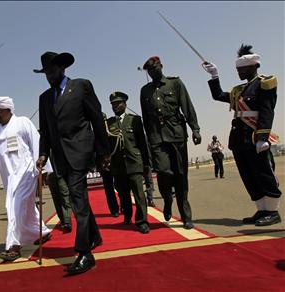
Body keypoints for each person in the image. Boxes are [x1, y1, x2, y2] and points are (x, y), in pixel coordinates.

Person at [34, 51, 111, 275]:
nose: (49, 76)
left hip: (80, 151)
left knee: (77, 200)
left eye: (52, 71)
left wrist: (104, 152)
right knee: (79, 200)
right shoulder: (44, 98)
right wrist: (43, 154)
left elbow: (96, 118)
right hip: (60, 158)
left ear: (62, 68)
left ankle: (85, 253)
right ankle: (95, 236)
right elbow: (45, 130)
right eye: (46, 72)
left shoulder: (81, 86)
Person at [202, 44, 282, 226]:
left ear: (253, 66)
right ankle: (262, 209)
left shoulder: (264, 83)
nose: (238, 71)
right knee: (249, 176)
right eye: (237, 68)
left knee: (263, 174)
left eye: (242, 68)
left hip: (254, 137)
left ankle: (273, 211)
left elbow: (267, 111)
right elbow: (219, 95)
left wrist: (262, 138)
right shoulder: (239, 90)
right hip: (239, 140)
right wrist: (214, 76)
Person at [0, 96, 52, 262]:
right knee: (25, 206)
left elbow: (37, 144)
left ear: (8, 109)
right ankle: (42, 232)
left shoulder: (23, 122)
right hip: (9, 177)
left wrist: (44, 169)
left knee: (14, 206)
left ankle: (14, 245)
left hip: (26, 173)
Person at [140, 56, 201, 230]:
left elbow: (187, 106)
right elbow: (145, 118)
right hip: (157, 138)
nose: (153, 72)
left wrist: (195, 128)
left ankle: (185, 215)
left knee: (181, 175)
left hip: (176, 134)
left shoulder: (175, 83)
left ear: (161, 66)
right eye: (149, 70)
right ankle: (167, 199)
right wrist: (149, 140)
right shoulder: (145, 91)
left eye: (155, 68)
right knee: (164, 171)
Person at [106, 91, 152, 233]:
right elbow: (107, 145)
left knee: (139, 194)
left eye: (118, 103)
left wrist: (146, 162)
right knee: (123, 193)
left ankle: (142, 221)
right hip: (118, 165)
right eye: (113, 104)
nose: (116, 106)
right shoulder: (109, 123)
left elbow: (142, 143)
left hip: (134, 162)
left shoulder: (135, 120)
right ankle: (127, 215)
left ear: (125, 104)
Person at [100, 113, 120, 217]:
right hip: (103, 164)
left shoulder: (113, 130)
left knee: (120, 185)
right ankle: (114, 209)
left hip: (115, 161)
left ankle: (124, 206)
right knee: (108, 188)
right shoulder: (95, 132)